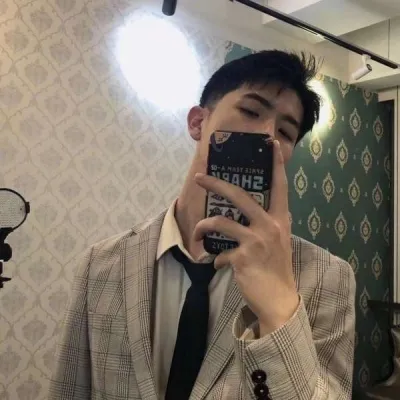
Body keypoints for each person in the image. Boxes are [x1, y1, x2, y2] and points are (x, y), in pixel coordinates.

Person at [48, 50, 356, 400]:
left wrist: (278, 308)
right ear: (197, 122)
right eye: (251, 111)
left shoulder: (327, 276)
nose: (268, 136)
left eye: (286, 132)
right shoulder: (101, 264)